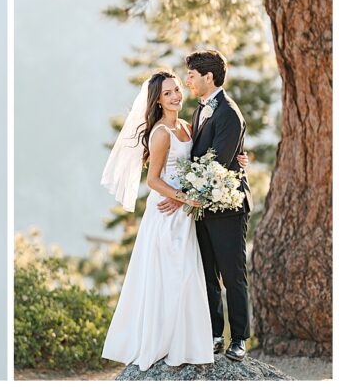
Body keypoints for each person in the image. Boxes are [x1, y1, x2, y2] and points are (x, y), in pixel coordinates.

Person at [100, 70, 248, 370]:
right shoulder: (159, 134)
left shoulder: (186, 126)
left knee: (189, 276)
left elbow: (208, 156)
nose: (176, 96)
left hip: (186, 212)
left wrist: (239, 159)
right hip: (167, 213)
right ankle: (162, 342)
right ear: (157, 100)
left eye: (177, 89)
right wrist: (183, 197)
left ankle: (189, 341)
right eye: (167, 93)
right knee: (170, 277)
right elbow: (153, 180)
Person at [158, 50, 252, 361]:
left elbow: (219, 164)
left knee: (232, 274)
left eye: (192, 76)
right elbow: (198, 154)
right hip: (200, 207)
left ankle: (239, 338)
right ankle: (213, 333)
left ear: (208, 77)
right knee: (207, 273)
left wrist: (178, 194)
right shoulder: (201, 109)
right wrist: (182, 195)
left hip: (226, 209)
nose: (187, 81)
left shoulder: (227, 112)